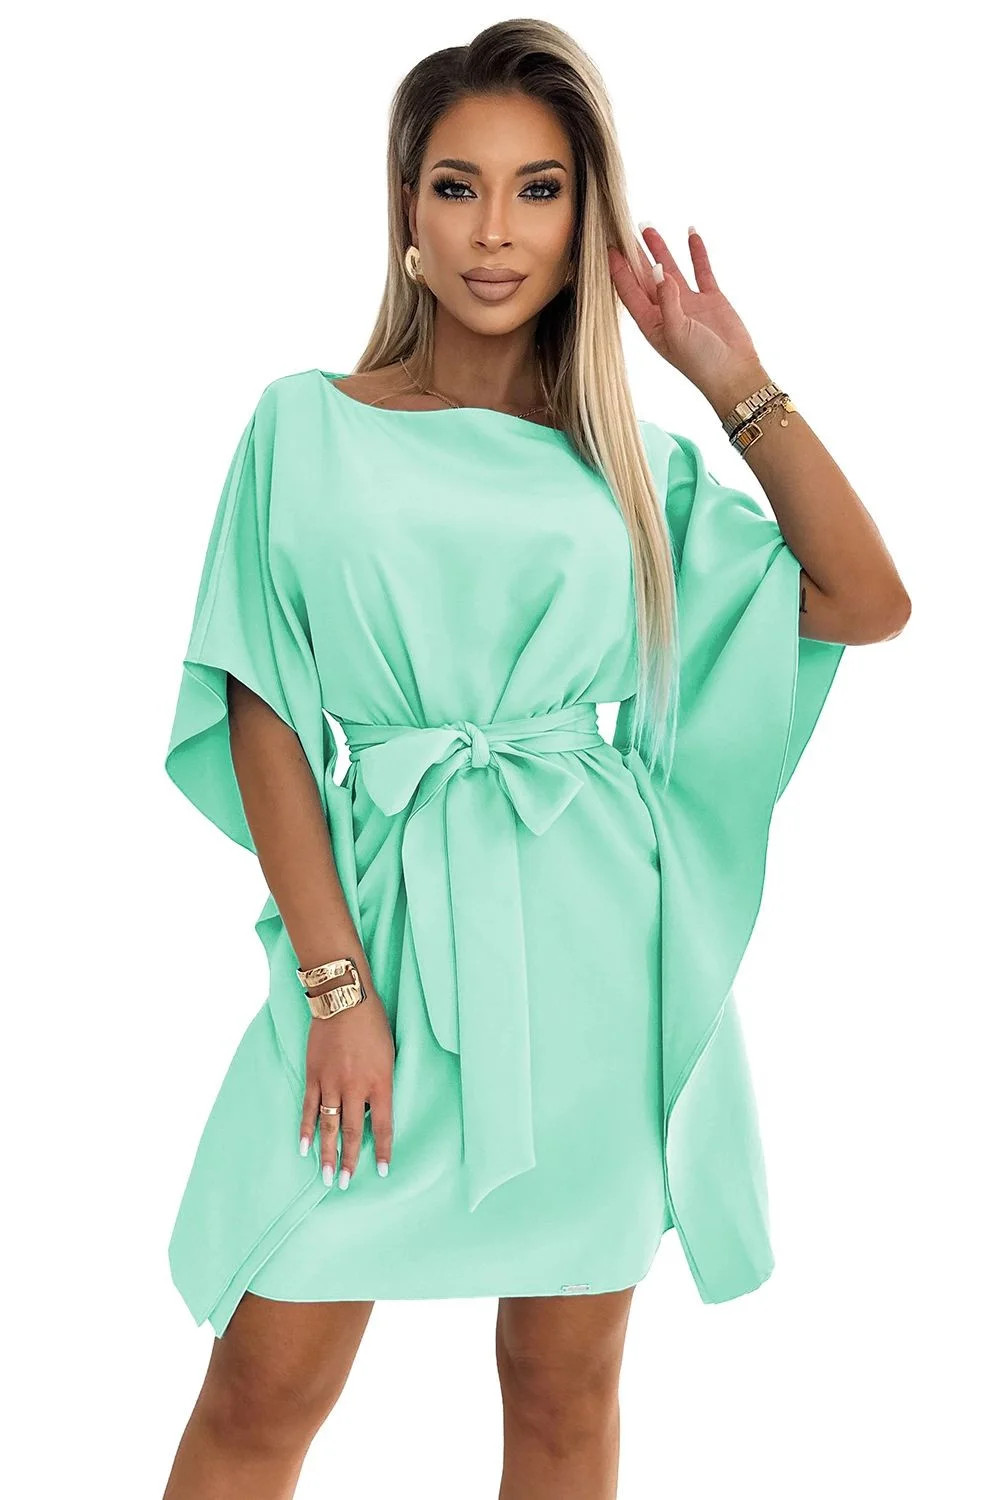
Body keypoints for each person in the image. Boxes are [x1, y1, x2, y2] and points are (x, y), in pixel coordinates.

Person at [159, 18, 910, 1499]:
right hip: (382, 944)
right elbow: (264, 712)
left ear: (585, 220)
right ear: (407, 209)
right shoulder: (305, 428)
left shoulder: (633, 468)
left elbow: (864, 600)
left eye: (539, 189)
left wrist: (730, 376)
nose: (495, 230)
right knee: (264, 1383)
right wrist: (336, 989)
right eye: (458, 187)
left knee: (565, 1393)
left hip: (593, 954)